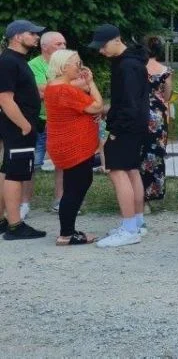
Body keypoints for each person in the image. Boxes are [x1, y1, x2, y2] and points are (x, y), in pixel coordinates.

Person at [88, 24, 151, 247]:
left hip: (126, 126)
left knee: (118, 172)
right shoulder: (130, 62)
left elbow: (129, 103)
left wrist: (114, 126)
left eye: (103, 46)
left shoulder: (127, 66)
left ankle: (129, 228)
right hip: (135, 125)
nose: (100, 51)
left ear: (117, 40)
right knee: (132, 171)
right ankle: (137, 222)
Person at [43, 49, 103, 245]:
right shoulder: (65, 90)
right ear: (63, 67)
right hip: (74, 146)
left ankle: (68, 230)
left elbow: (77, 90)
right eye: (76, 63)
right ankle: (67, 234)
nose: (80, 66)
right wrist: (92, 83)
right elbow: (97, 106)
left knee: (73, 185)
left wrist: (85, 79)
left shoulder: (54, 86)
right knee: (75, 188)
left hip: (63, 143)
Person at [0, 19, 48, 239]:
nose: (37, 37)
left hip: (20, 126)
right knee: (16, 174)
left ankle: (3, 219)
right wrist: (25, 125)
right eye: (33, 33)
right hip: (18, 127)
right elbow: (5, 98)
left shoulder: (18, 60)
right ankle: (15, 226)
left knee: (7, 170)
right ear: (18, 36)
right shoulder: (9, 62)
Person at [27, 30, 65, 213]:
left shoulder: (68, 63)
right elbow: (39, 92)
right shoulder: (33, 65)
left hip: (62, 121)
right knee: (31, 164)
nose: (64, 47)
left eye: (64, 44)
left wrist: (53, 88)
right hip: (40, 121)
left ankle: (60, 201)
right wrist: (65, 86)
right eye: (59, 44)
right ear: (44, 46)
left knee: (62, 163)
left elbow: (82, 88)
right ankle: (24, 204)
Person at [142, 36, 172, 204]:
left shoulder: (138, 68)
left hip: (139, 113)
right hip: (158, 116)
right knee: (157, 155)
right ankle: (155, 192)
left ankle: (139, 193)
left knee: (140, 154)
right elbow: (167, 95)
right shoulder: (165, 70)